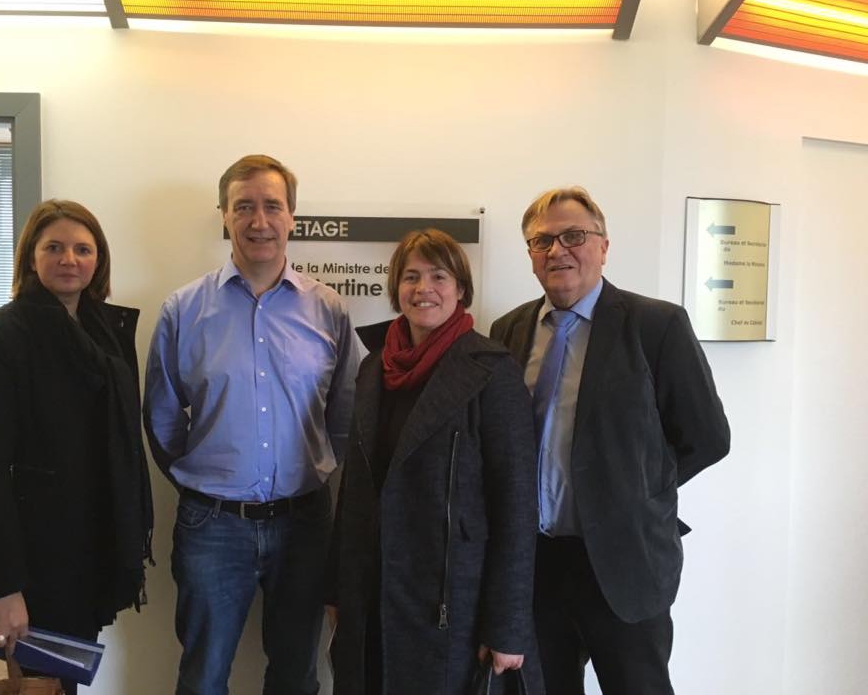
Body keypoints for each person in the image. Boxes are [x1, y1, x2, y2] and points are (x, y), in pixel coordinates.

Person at [490, 186, 731, 694]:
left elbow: (708, 437)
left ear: (603, 246)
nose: (557, 250)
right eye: (542, 241)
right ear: (531, 255)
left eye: (573, 236)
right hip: (535, 567)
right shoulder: (508, 330)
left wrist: (633, 491)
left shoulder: (656, 325)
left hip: (624, 563)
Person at [144, 154, 360, 695]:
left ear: (292, 217)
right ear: (224, 215)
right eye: (243, 207)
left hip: (304, 523)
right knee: (203, 676)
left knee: (296, 676)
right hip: (212, 526)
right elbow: (163, 416)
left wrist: (318, 468)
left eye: (272, 206)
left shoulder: (328, 309)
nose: (258, 221)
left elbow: (345, 412)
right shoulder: (183, 309)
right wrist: (204, 477)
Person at [0, 199, 154, 695]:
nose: (69, 259)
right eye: (53, 247)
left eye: (83, 249)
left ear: (99, 260)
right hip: (32, 556)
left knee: (62, 683)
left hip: (90, 547)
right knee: (39, 686)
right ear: (31, 258)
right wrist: (5, 588)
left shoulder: (105, 333)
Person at [327, 228, 542, 695]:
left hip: (451, 602)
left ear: (460, 288)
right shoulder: (374, 367)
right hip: (371, 591)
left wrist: (508, 625)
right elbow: (354, 485)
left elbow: (517, 505)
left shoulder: (492, 370)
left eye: (438, 276)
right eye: (411, 276)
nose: (424, 288)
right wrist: (338, 589)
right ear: (396, 288)